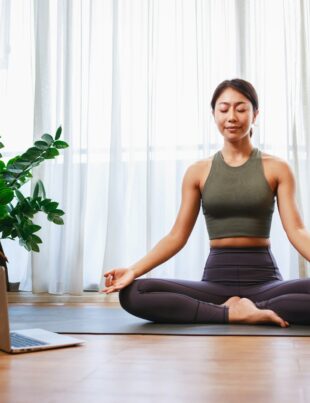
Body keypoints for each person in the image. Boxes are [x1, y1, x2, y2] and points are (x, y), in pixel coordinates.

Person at [100, 78, 310, 327]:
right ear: (214, 115)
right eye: (223, 109)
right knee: (134, 293)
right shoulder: (198, 171)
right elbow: (176, 237)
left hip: (265, 281)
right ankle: (231, 312)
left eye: (241, 108)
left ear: (255, 114)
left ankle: (243, 309)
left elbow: (296, 231)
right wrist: (133, 270)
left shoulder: (277, 168)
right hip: (215, 282)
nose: (231, 116)